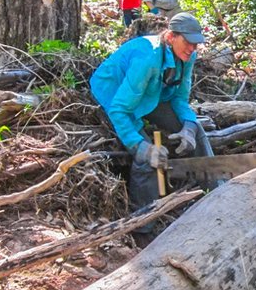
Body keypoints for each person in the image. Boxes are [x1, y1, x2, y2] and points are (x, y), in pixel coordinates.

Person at [91, 13, 214, 218]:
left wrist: (189, 129)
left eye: (196, 43)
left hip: (150, 92)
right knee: (148, 157)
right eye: (188, 42)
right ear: (171, 37)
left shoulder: (187, 56)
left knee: (196, 129)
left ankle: (215, 191)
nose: (193, 48)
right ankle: (142, 224)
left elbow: (180, 99)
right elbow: (119, 109)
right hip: (114, 94)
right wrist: (139, 146)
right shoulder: (147, 57)